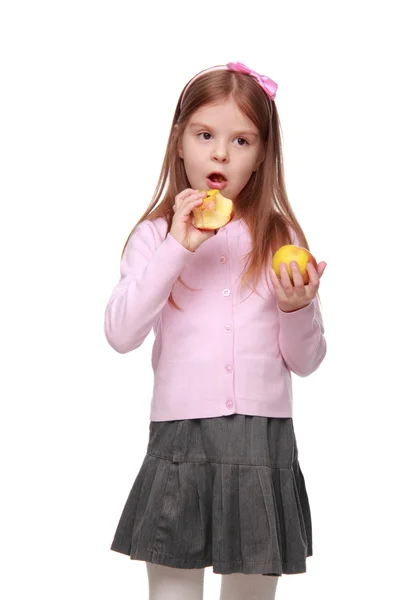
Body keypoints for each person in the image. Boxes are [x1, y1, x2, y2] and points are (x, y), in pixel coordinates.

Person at [104, 61, 327, 600]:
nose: (221, 153)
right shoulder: (155, 235)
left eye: (242, 139)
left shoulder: (281, 235)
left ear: (262, 155)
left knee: (251, 592)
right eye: (206, 135)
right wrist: (177, 247)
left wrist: (298, 308)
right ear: (179, 141)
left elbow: (307, 359)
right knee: (174, 589)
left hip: (261, 438)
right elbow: (121, 332)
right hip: (182, 436)